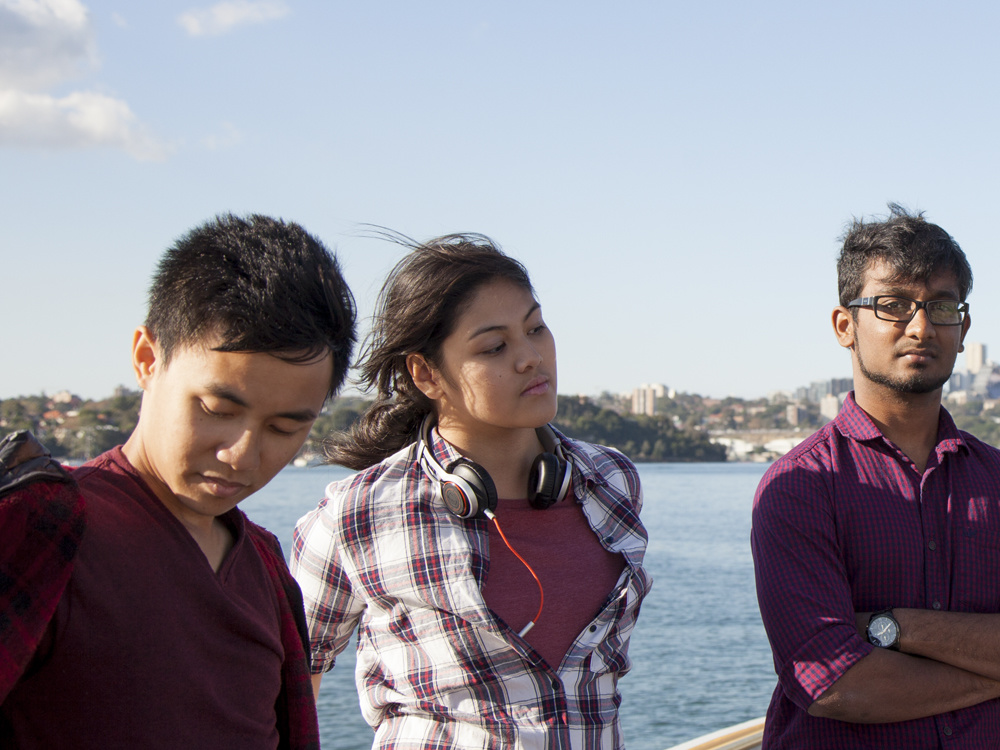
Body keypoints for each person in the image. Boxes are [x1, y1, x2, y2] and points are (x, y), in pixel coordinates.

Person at [0, 214, 357, 749]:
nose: (242, 455)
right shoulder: (37, 527)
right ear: (147, 358)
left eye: (285, 428)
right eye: (217, 409)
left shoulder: (265, 566)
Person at [291, 234, 651, 749]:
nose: (531, 357)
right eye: (494, 347)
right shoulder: (357, 512)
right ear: (426, 374)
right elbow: (289, 682)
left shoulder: (611, 481)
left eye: (536, 328)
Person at [751, 204, 1000, 748]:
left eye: (941, 306)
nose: (921, 327)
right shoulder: (800, 487)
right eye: (893, 305)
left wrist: (894, 628)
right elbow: (835, 684)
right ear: (845, 326)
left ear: (963, 328)